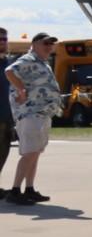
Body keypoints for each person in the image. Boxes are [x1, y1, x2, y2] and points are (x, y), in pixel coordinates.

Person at [5, 32, 61, 204]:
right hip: (30, 113)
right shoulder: (28, 59)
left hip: (42, 113)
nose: (49, 46)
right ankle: (15, 191)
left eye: (51, 44)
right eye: (45, 43)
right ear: (35, 44)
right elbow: (9, 71)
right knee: (30, 152)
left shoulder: (43, 63)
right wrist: (21, 90)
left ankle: (29, 189)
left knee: (35, 153)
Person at [0, 28, 13, 181]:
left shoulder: (9, 64)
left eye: (5, 39)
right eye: (0, 39)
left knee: (3, 152)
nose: (3, 42)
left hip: (7, 117)